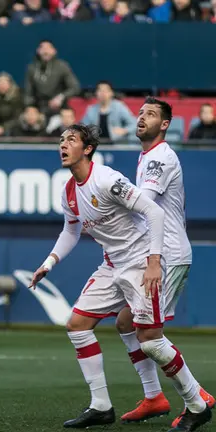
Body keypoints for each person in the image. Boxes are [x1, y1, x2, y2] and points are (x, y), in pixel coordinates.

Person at [29, 123, 212, 432]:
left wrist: (154, 262)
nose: (62, 145)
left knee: (151, 340)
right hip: (112, 265)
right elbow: (71, 231)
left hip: (142, 264)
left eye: (70, 140)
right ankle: (101, 406)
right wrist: (49, 262)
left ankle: (197, 404)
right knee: (77, 325)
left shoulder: (108, 180)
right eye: (61, 140)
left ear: (87, 149)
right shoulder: (70, 191)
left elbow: (154, 212)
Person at [118, 97, 215, 427]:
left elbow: (142, 202)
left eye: (151, 114)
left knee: (149, 336)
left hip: (167, 255)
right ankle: (154, 397)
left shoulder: (160, 158)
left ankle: (196, 401)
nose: (142, 117)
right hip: (156, 252)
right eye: (141, 112)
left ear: (165, 125)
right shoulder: (147, 156)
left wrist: (106, 197)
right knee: (126, 322)